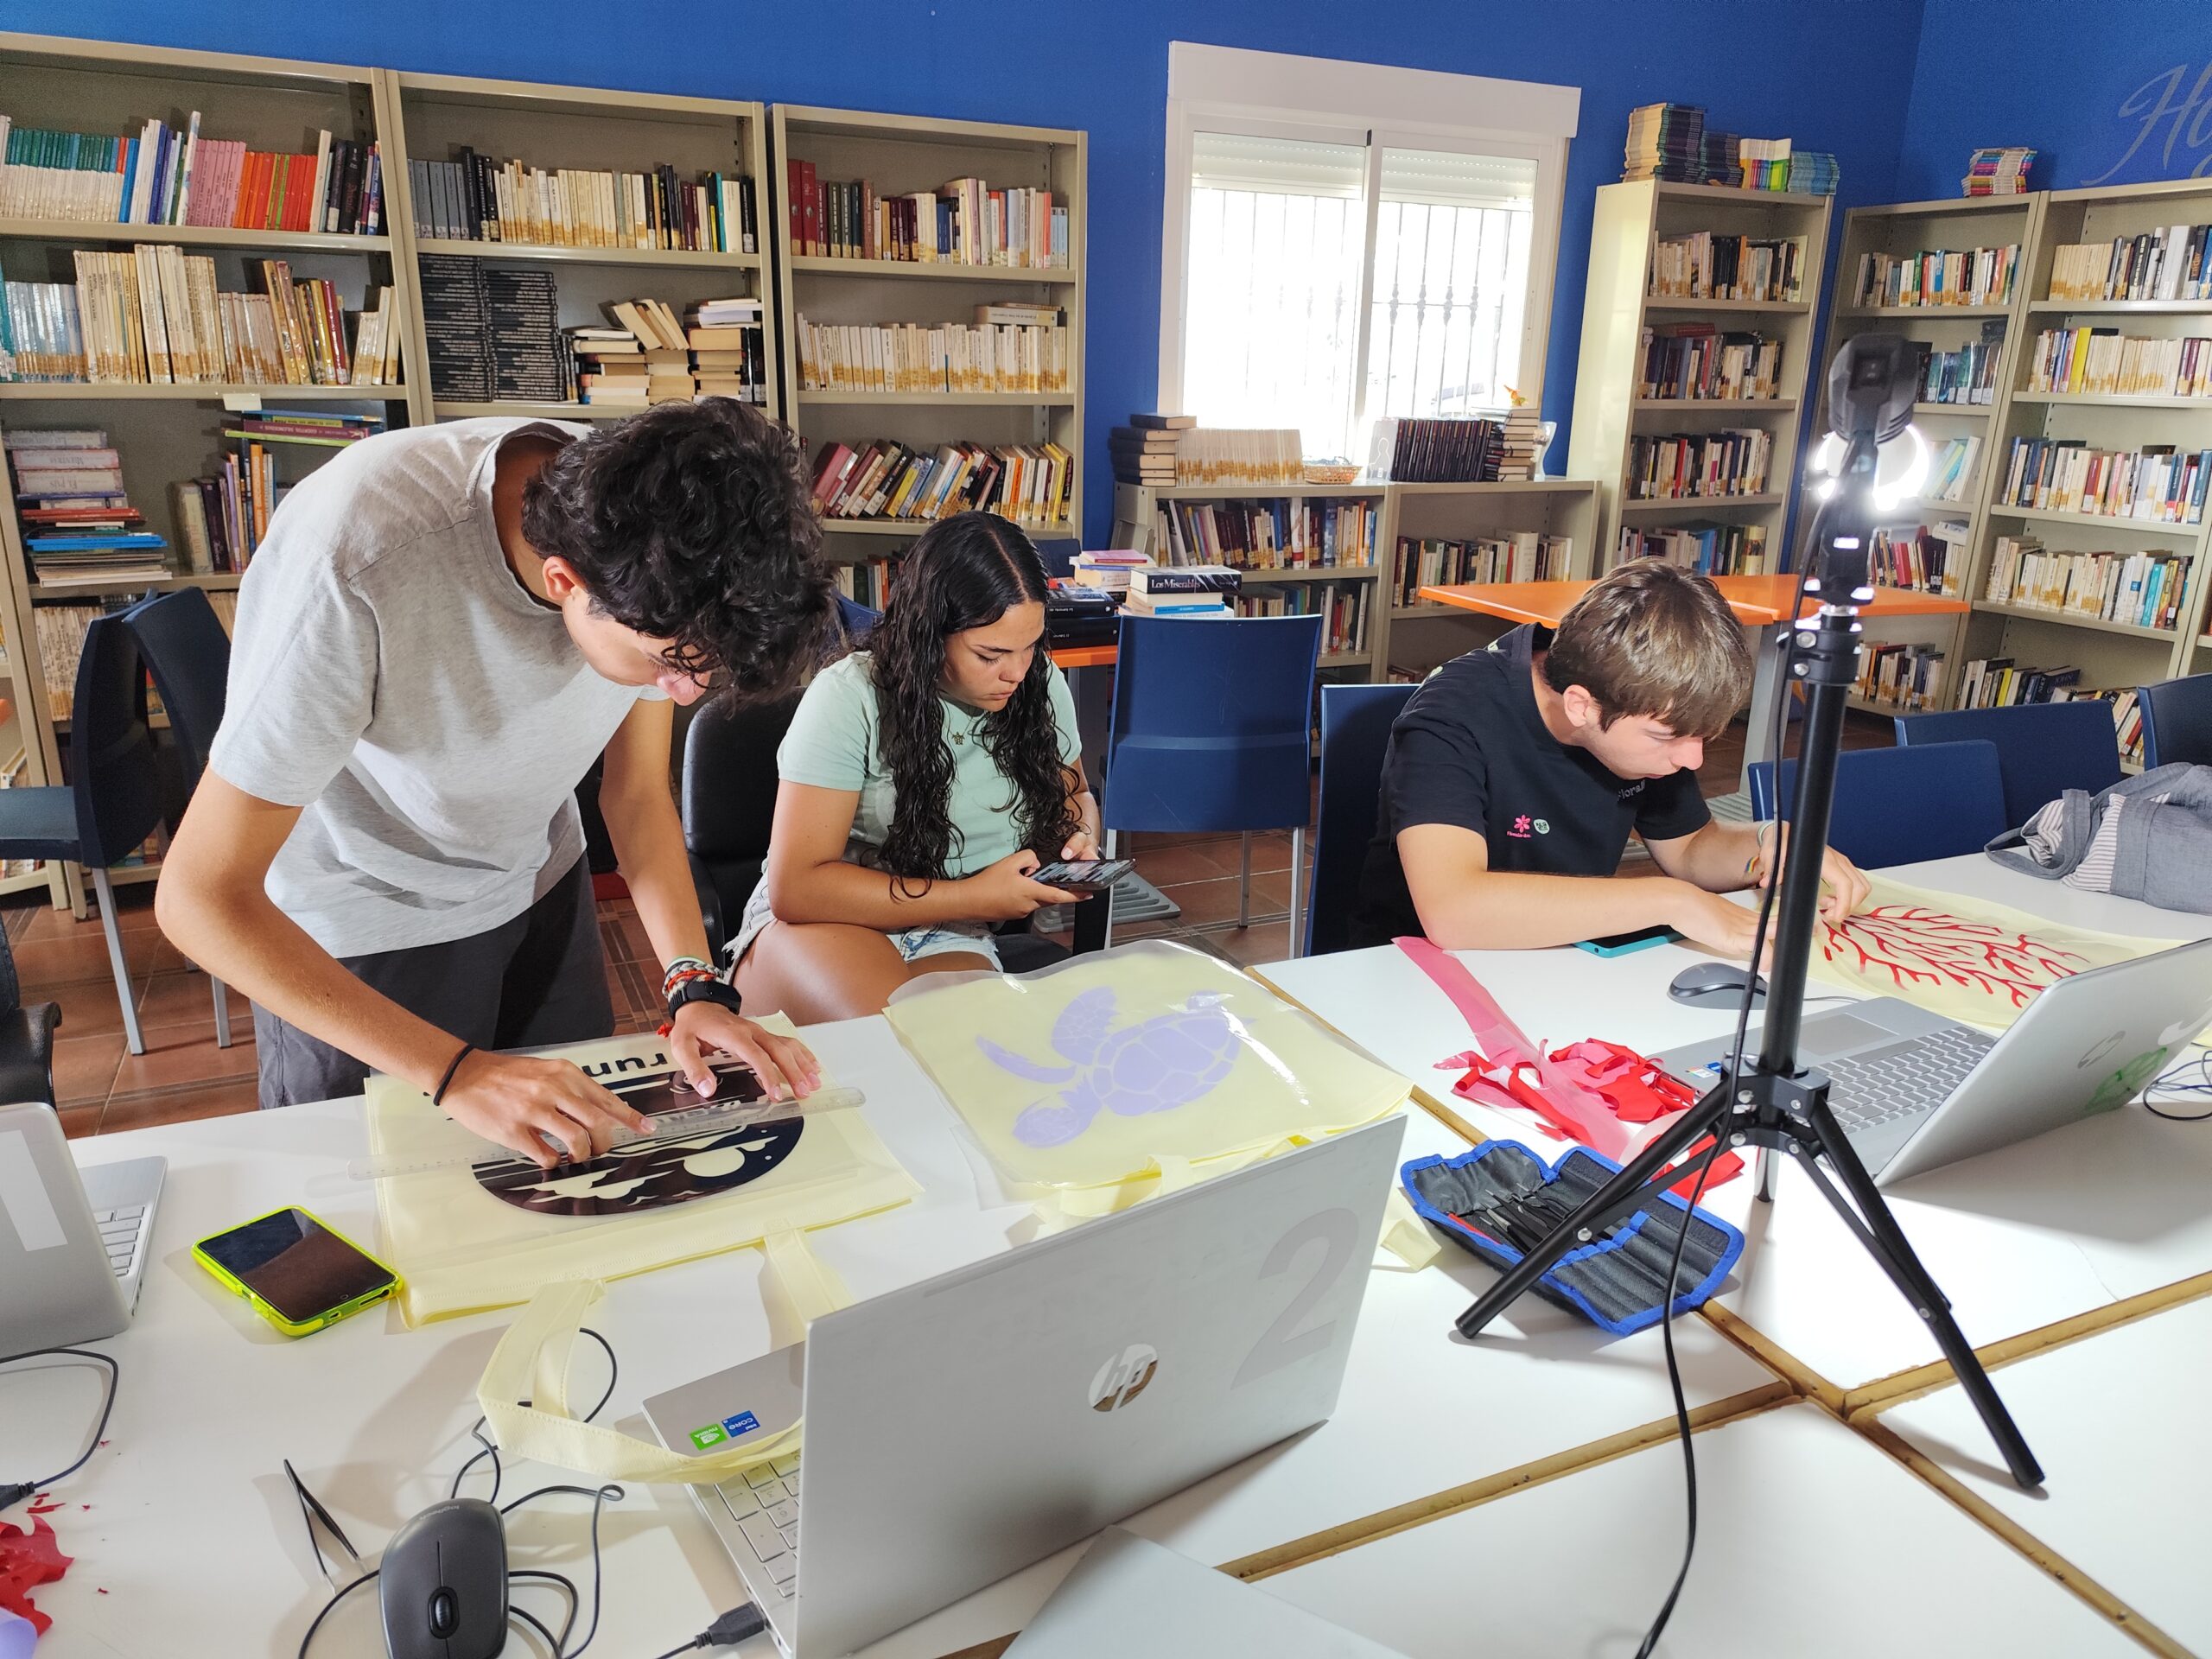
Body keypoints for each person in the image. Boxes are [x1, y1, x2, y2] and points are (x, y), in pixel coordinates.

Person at [156, 404, 836, 1168]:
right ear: (564, 580)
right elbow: (197, 898)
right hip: (365, 923)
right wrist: (455, 1073)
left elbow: (637, 795)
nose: (682, 696)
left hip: (538, 883)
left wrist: (695, 987)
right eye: (666, 665)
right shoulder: (354, 558)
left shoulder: (663, 529)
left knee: (570, 1172)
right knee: (380, 1196)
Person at [1349, 559, 1871, 954]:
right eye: (1667, 737)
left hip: (1563, 959)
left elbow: (1690, 849)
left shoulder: (1642, 699)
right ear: (1582, 706)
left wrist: (1767, 842)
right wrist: (1671, 900)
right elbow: (1454, 912)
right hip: (1414, 970)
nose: (1692, 760)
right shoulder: (1451, 717)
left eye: (1701, 737)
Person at [731, 511, 1098, 1023]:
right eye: (990, 654)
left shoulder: (1039, 684)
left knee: (964, 1049)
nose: (1016, 672)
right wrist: (972, 896)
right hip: (825, 917)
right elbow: (798, 890)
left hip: (952, 926)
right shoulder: (848, 696)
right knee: (890, 1038)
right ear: (929, 634)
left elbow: (1074, 794)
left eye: (1030, 646)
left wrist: (1081, 840)